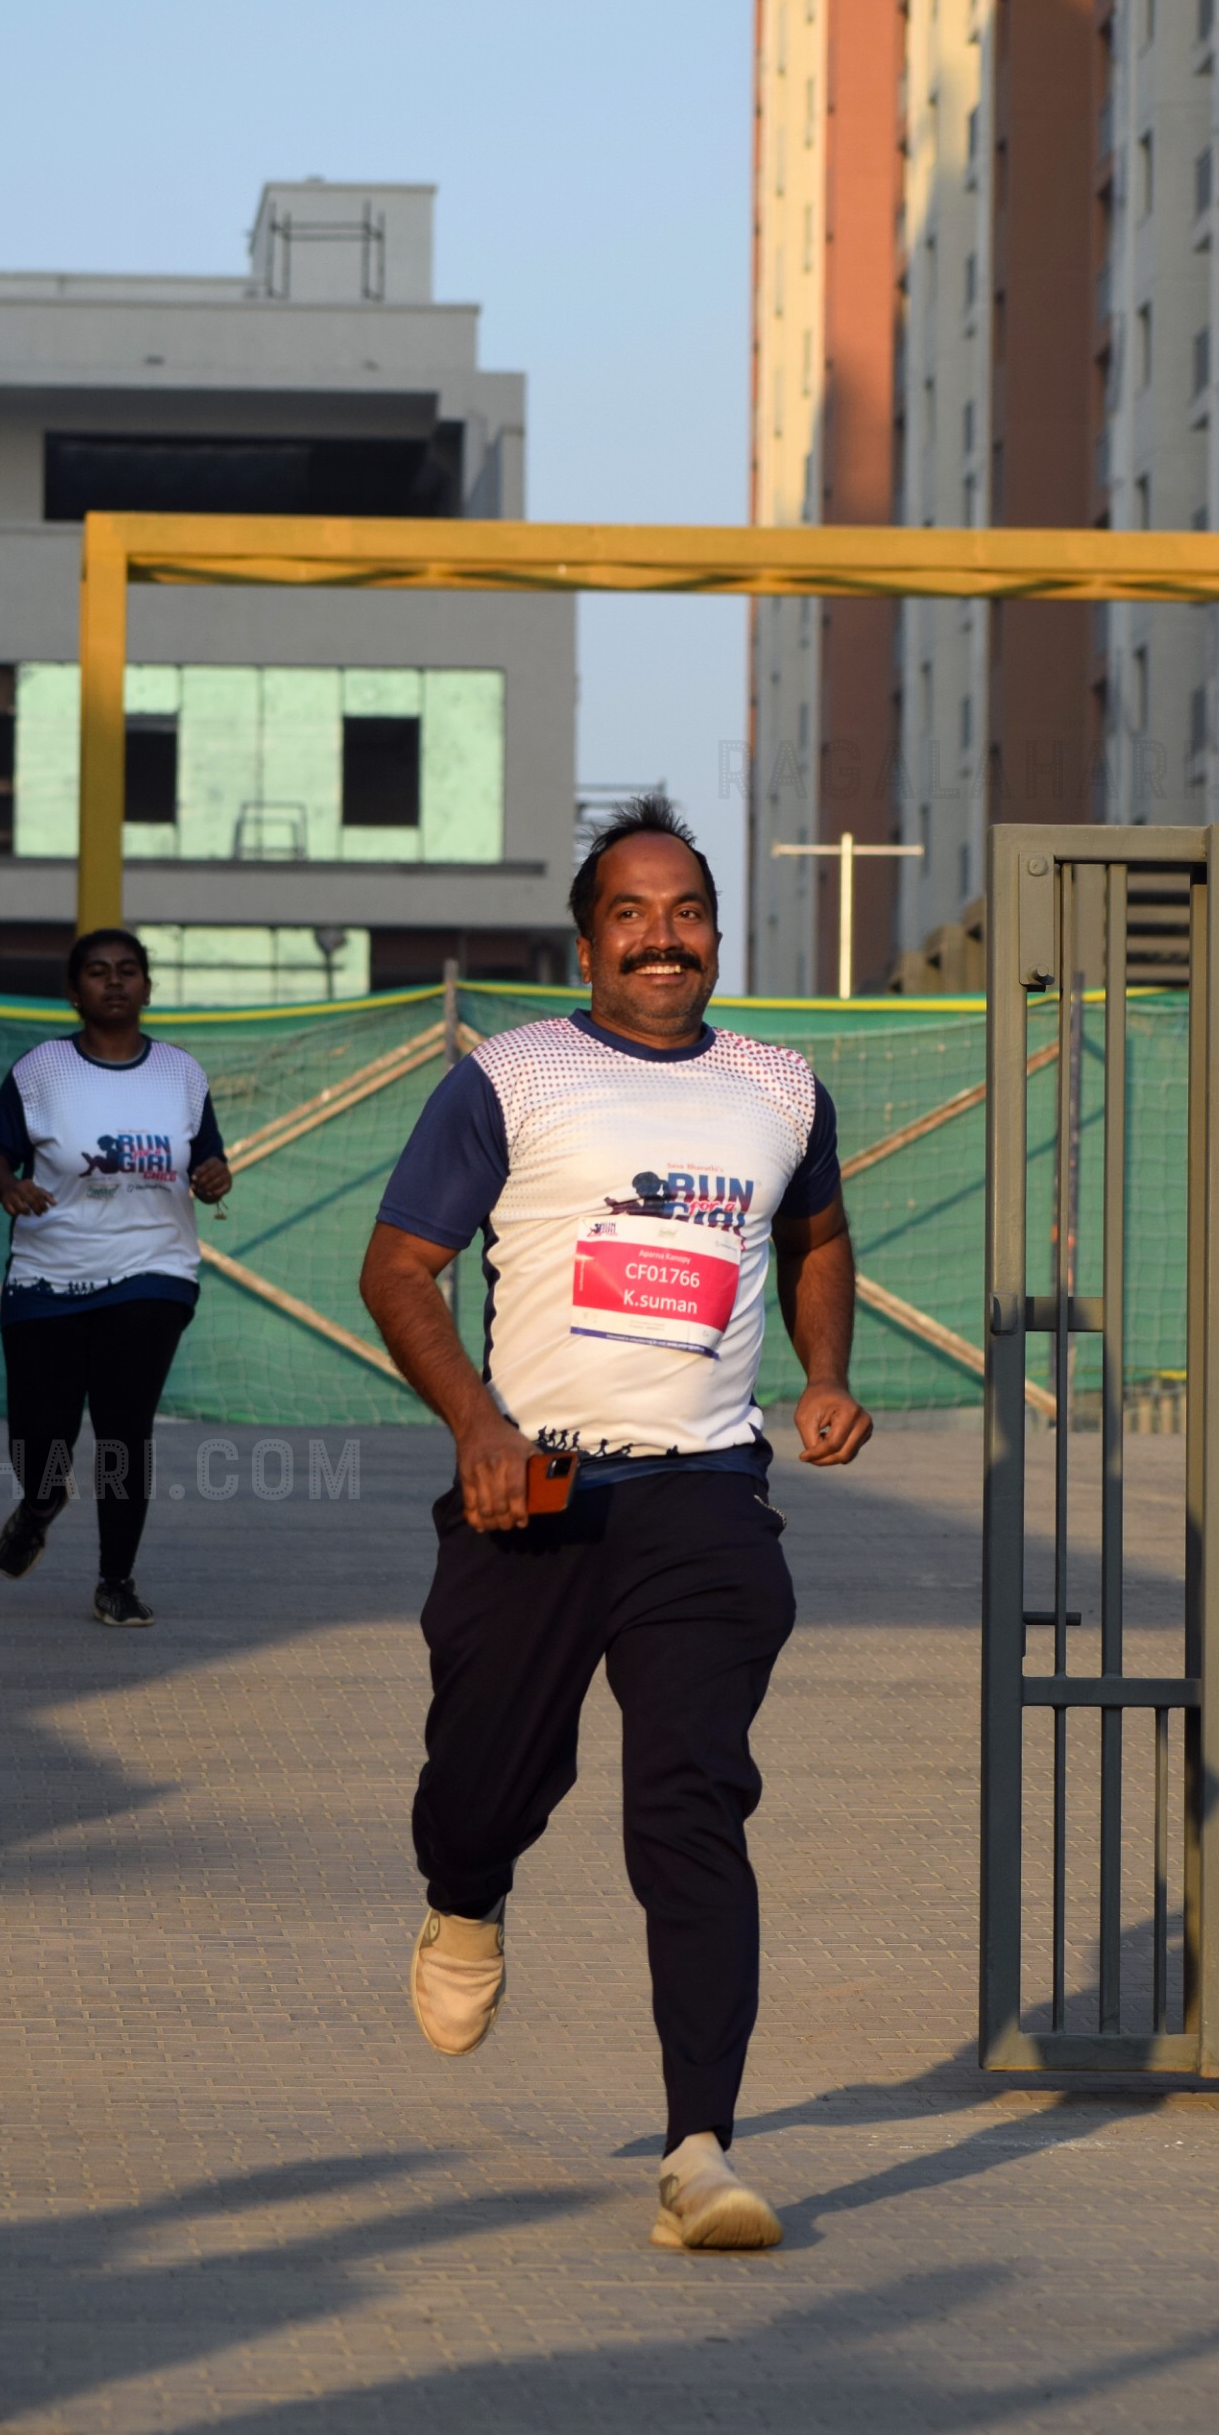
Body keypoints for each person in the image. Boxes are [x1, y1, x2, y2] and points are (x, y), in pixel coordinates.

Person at [359, 794, 873, 2256]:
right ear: (586, 943)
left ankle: (700, 2146)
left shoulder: (781, 1085)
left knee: (692, 1807)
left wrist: (826, 1376)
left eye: (688, 911)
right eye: (632, 915)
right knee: (482, 1781)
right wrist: (478, 1426)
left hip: (705, 1500)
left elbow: (816, 1236)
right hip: (530, 1498)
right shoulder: (511, 1079)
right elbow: (399, 1269)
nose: (664, 937)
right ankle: (465, 1896)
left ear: (718, 930)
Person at [0, 927, 233, 1628]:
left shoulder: (181, 1072)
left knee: (124, 1427)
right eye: (97, 972)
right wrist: (8, 1188)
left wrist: (215, 1176)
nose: (114, 982)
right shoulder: (41, 1070)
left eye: (127, 971)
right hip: (48, 1272)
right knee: (40, 1435)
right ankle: (39, 1502)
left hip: (153, 1271)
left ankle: (116, 1578)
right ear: (73, 990)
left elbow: (209, 1162)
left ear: (148, 986)